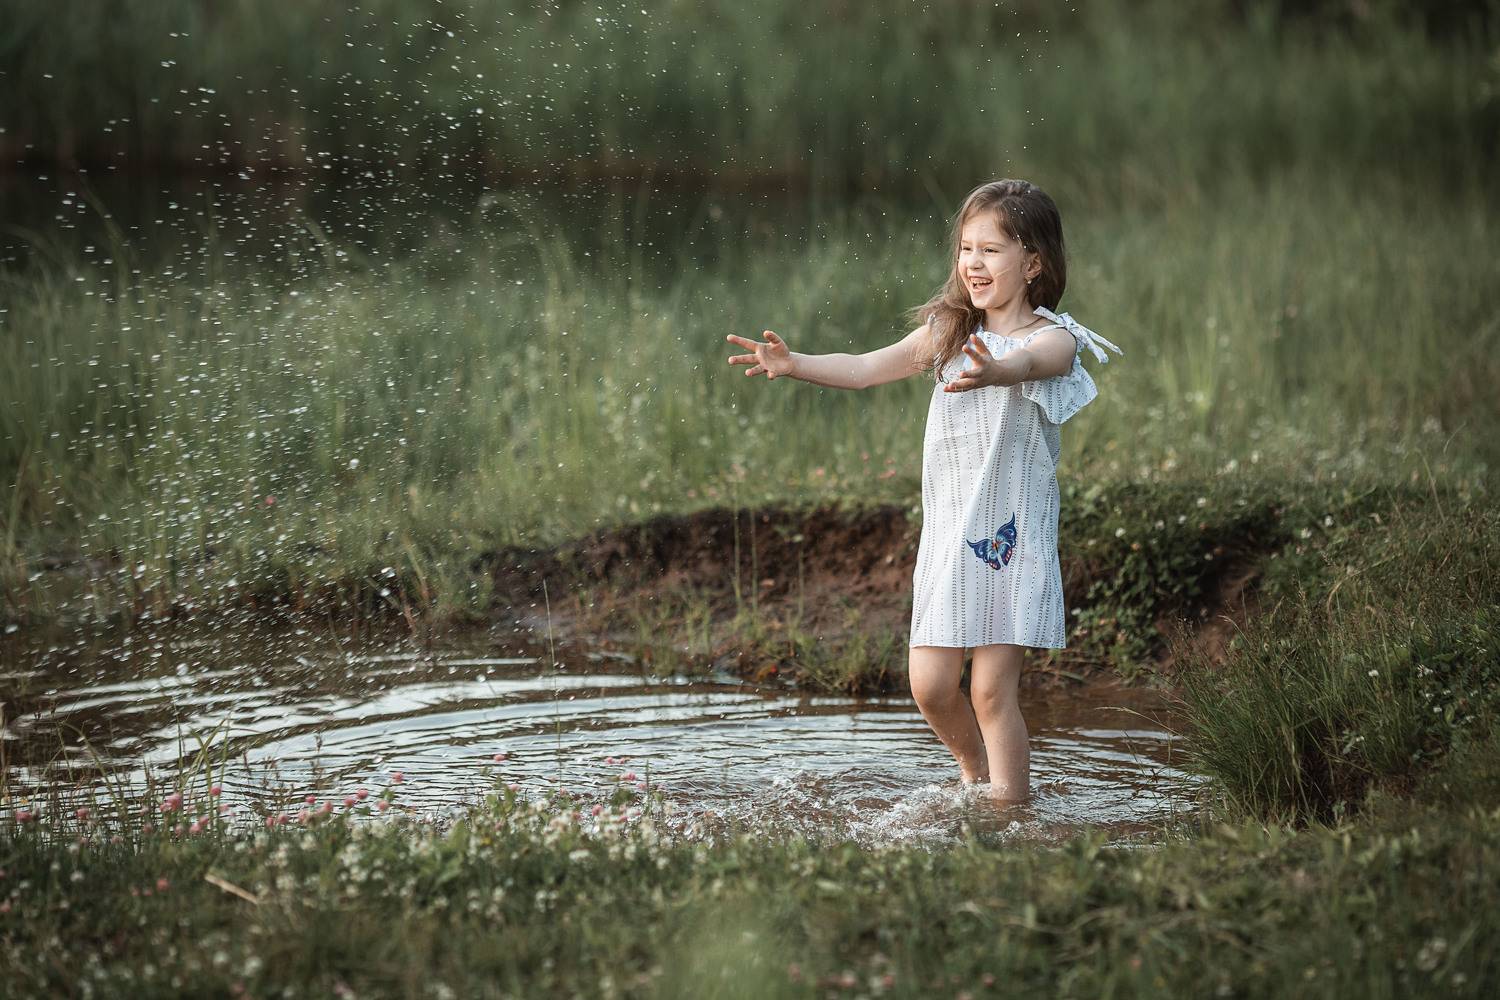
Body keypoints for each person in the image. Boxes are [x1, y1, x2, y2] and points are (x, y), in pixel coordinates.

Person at [724, 179, 1121, 802]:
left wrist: (998, 369)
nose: (973, 264)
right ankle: (975, 777)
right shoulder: (949, 331)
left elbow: (1032, 363)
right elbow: (864, 368)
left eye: (991, 250)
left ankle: (1010, 809)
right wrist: (795, 363)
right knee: (931, 687)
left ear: (1033, 262)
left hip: (1010, 542)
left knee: (992, 692)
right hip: (949, 538)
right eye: (967, 249)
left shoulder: (1054, 338)